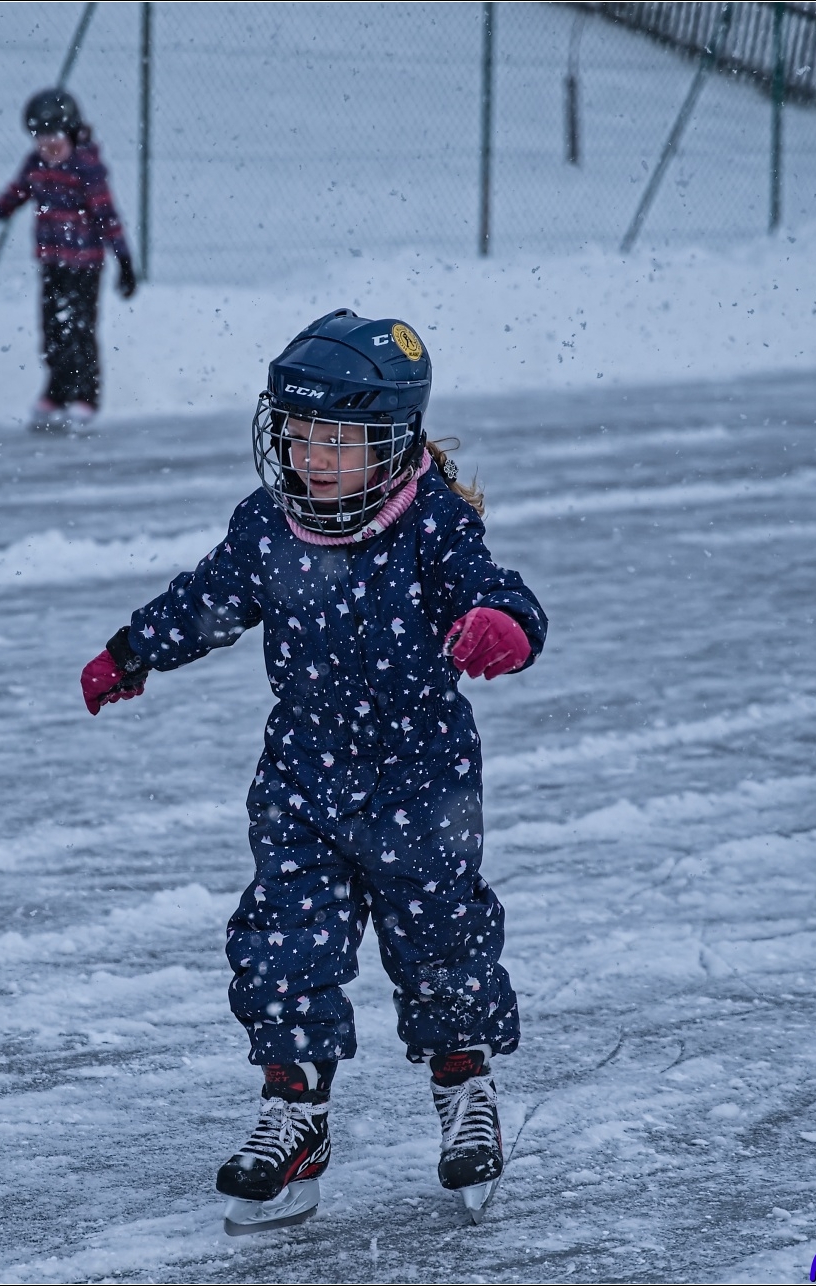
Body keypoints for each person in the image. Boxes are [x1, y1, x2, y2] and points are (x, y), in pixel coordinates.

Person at [78, 311, 547, 1234]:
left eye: (337, 440)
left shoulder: (432, 526)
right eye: (297, 435)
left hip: (419, 778)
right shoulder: (270, 526)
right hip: (302, 777)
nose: (311, 457)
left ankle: (465, 1087)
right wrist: (133, 651)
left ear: (393, 441)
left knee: (442, 941)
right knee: (283, 943)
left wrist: (504, 626)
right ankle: (294, 1116)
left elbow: (495, 588)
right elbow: (208, 599)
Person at [0, 89, 135, 433]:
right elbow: (13, 196)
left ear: (70, 132)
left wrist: (125, 262)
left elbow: (107, 216)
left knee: (79, 330)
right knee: (53, 331)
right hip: (52, 263)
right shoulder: (36, 165)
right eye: (39, 138)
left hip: (84, 265)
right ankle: (57, 393)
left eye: (54, 138)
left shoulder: (87, 168)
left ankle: (86, 397)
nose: (47, 146)